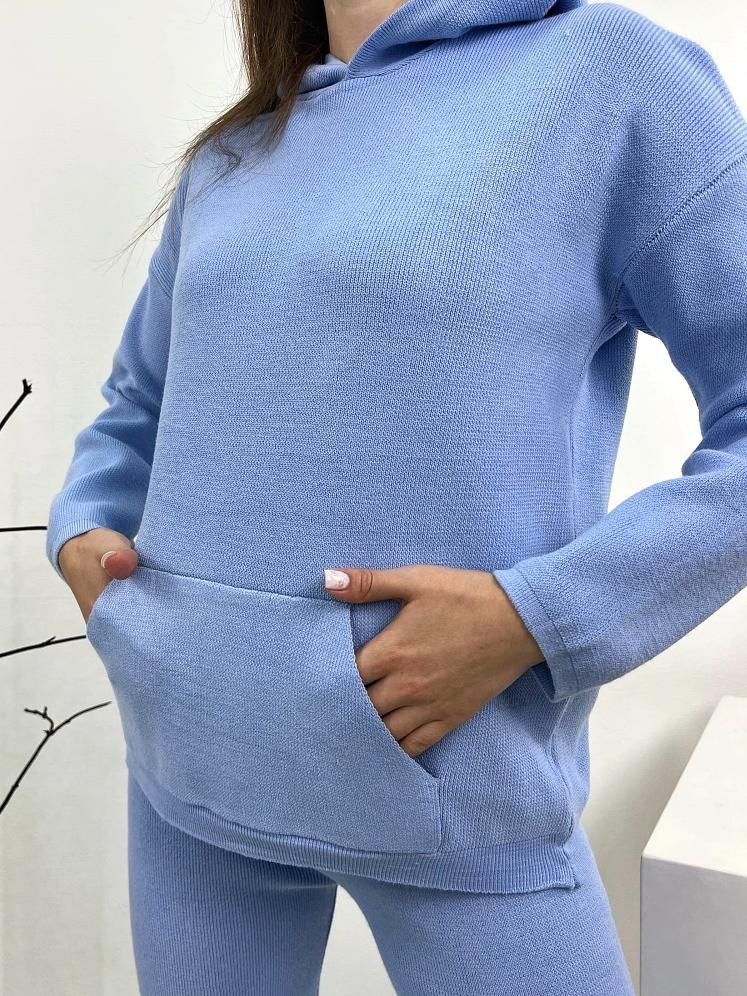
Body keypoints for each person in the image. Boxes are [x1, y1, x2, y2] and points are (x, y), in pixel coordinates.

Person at [46, 1, 747, 993]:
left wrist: (537, 615)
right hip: (187, 766)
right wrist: (86, 526)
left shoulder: (610, 76)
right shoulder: (236, 151)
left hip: (450, 775)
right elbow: (139, 401)